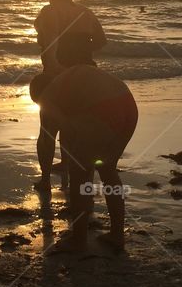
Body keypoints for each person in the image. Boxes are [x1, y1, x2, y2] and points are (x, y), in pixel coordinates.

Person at [30, 62, 137, 254]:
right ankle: (117, 235)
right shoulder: (68, 79)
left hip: (102, 109)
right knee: (108, 169)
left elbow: (60, 132)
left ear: (37, 96)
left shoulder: (47, 97)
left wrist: (75, 161)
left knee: (79, 175)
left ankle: (78, 239)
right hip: (129, 105)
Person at [34, 0, 106, 78]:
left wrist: (55, 66)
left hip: (61, 71)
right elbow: (101, 41)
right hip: (87, 70)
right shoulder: (85, 12)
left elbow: (51, 42)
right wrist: (81, 51)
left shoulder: (50, 11)